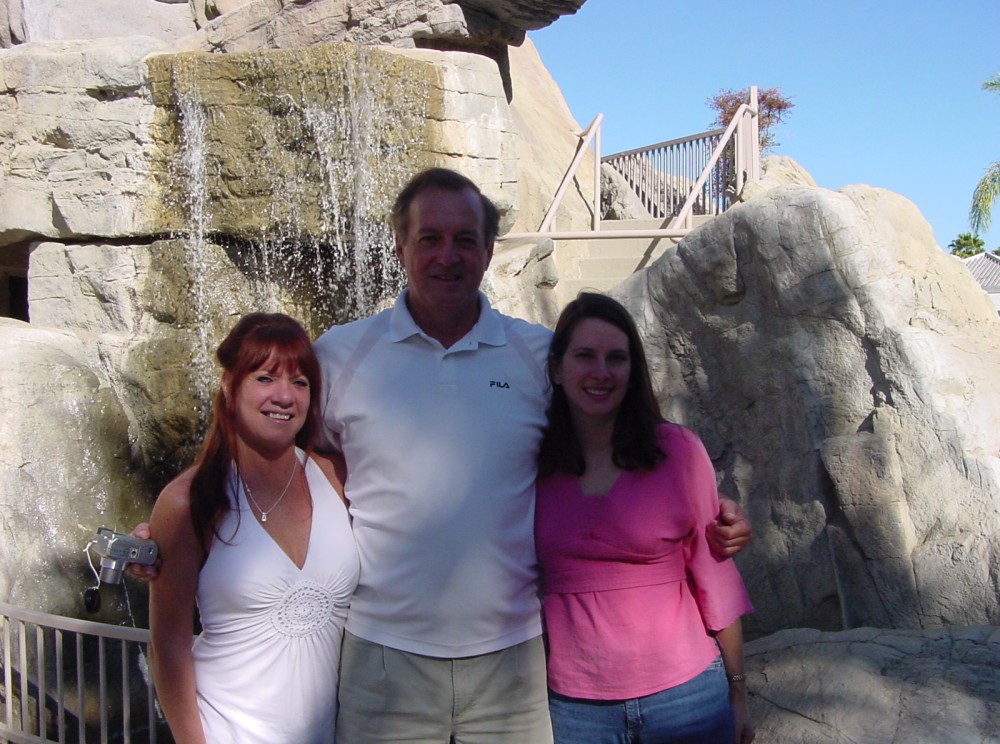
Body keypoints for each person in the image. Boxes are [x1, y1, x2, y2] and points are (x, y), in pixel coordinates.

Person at [132, 168, 753, 743]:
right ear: (400, 248)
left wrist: (708, 505)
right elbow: (277, 444)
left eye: (464, 240)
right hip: (383, 662)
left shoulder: (537, 356)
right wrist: (185, 512)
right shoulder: (342, 355)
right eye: (429, 238)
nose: (447, 256)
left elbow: (607, 436)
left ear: (487, 252)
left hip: (512, 663)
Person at [534, 292, 755, 744]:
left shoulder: (677, 451)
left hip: (687, 698)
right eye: (585, 356)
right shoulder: (531, 462)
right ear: (556, 368)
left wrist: (738, 690)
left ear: (633, 370)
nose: (601, 372)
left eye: (616, 358)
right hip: (574, 710)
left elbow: (714, 576)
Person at [147, 313, 359, 744]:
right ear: (230, 387)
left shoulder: (336, 478)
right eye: (265, 378)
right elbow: (168, 646)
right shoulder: (190, 501)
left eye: (300, 382)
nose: (284, 396)